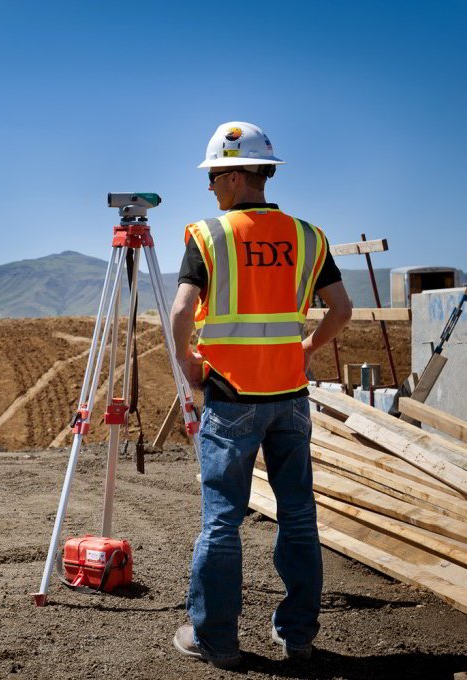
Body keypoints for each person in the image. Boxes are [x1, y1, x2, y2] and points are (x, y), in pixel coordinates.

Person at [169, 121, 353, 669]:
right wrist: (307, 349)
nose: (209, 188)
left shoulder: (209, 235)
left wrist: (187, 363)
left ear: (233, 175)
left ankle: (215, 640)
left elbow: (181, 312)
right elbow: (340, 309)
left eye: (213, 177)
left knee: (222, 520)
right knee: (298, 515)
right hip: (290, 396)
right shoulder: (308, 236)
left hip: (230, 396)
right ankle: (297, 637)